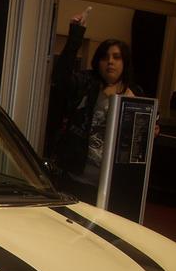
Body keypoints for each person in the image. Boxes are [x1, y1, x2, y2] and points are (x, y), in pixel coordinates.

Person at [50, 13, 135, 204]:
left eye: (116, 57)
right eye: (105, 57)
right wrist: (76, 34)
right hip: (76, 178)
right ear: (98, 62)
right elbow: (61, 77)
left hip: (113, 185)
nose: (110, 61)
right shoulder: (86, 83)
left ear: (125, 62)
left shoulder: (134, 95)